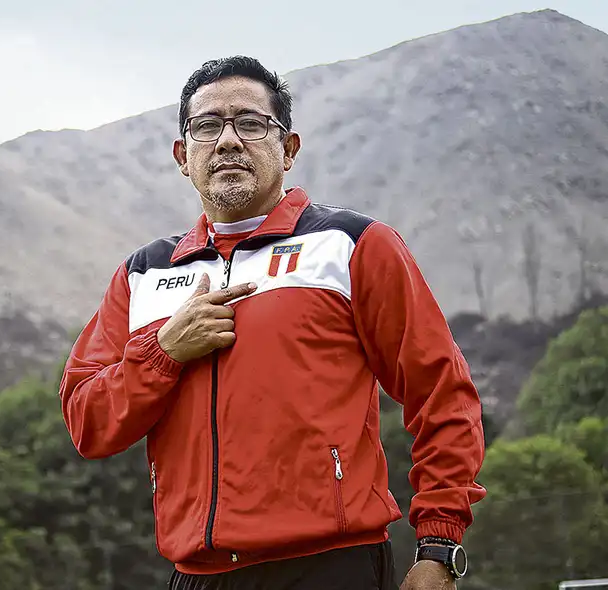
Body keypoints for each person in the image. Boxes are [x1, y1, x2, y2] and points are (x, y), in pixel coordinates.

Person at [59, 55, 487, 590]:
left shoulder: (353, 246)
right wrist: (162, 352)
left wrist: (440, 546)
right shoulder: (142, 274)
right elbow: (87, 422)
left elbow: (443, 394)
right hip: (197, 575)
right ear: (182, 156)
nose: (229, 141)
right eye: (207, 126)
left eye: (251, 123)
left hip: (332, 568)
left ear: (288, 149)